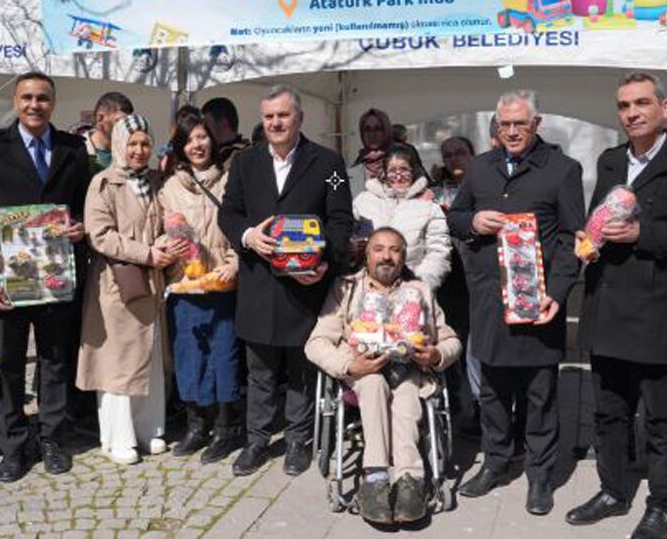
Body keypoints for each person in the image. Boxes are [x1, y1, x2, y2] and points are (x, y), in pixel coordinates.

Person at [567, 72, 667, 539]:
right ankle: (613, 490)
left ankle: (664, 503)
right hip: (607, 303)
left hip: (657, 309)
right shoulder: (611, 160)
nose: (632, 113)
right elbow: (600, 215)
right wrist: (588, 239)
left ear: (664, 109)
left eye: (641, 103)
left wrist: (643, 234)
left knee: (660, 416)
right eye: (624, 106)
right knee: (609, 410)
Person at [447, 90, 584, 515]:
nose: (511, 131)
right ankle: (496, 461)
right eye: (504, 124)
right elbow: (453, 216)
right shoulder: (480, 168)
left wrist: (558, 293)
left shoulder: (562, 170)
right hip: (489, 299)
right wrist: (472, 221)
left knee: (540, 392)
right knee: (491, 389)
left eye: (519, 124)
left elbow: (570, 239)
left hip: (536, 300)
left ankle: (540, 475)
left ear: (536, 124)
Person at [218, 84, 354, 477]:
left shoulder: (328, 165)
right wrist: (247, 236)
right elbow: (229, 214)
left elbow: (341, 220)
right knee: (259, 372)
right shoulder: (245, 164)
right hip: (260, 284)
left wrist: (323, 258)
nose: (276, 123)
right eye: (269, 116)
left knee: (301, 370)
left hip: (306, 287)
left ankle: (297, 440)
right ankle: (256, 440)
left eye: (283, 115)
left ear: (299, 118)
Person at [0, 71, 91, 483]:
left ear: (52, 103)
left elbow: (84, 210)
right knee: (8, 366)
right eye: (27, 97)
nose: (34, 105)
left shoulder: (74, 150)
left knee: (55, 360)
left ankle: (53, 438)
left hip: (57, 278)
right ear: (16, 102)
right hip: (10, 282)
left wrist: (80, 228)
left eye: (42, 98)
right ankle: (13, 445)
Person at [306, 228, 461, 525]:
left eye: (394, 250)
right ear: (367, 254)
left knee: (405, 394)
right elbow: (316, 343)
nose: (386, 256)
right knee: (374, 384)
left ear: (404, 257)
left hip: (410, 370)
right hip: (362, 373)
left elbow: (451, 339)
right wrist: (349, 366)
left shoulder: (420, 291)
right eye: (379, 249)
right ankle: (375, 477)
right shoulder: (346, 288)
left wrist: (437, 355)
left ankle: (410, 479)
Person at [77, 114, 175, 464]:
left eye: (145, 143)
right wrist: (146, 252)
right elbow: (99, 234)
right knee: (118, 362)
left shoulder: (156, 181)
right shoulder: (103, 183)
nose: (139, 150)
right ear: (120, 144)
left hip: (152, 280)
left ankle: (150, 429)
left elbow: (168, 220)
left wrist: (164, 240)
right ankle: (119, 436)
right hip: (118, 283)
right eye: (132, 143)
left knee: (149, 357)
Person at [158, 112, 245, 464]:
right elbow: (158, 232)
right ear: (181, 146)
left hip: (222, 284)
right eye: (190, 139)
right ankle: (197, 425)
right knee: (189, 356)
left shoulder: (231, 182)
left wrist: (234, 263)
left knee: (223, 356)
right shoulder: (169, 188)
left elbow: (242, 229)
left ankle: (226, 427)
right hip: (184, 285)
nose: (198, 145)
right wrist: (167, 245)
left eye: (203, 137)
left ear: (213, 139)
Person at [430, 136, 481, 431]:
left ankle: (479, 407)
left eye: (460, 152)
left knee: (477, 347)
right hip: (449, 280)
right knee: (451, 340)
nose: (453, 159)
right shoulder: (434, 191)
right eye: (447, 155)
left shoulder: (484, 184)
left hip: (477, 274)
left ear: (472, 154)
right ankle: (455, 405)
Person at [352, 144, 451, 291]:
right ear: (384, 173)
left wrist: (419, 285)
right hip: (367, 289)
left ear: (414, 171)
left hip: (411, 289)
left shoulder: (429, 206)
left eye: (404, 169)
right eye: (392, 170)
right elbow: (350, 239)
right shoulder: (363, 201)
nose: (398, 175)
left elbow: (438, 252)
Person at [84, 91, 134, 173]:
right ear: (100, 118)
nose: (125, 127)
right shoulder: (77, 151)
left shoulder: (129, 153)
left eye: (128, 122)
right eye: (119, 121)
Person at [348, 108, 393, 197]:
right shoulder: (350, 174)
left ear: (386, 131)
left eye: (378, 129)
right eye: (367, 129)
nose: (372, 134)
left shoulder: (403, 166)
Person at [202, 97, 251, 169]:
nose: (203, 128)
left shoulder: (247, 155)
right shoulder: (209, 153)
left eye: (207, 123)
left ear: (223, 123)